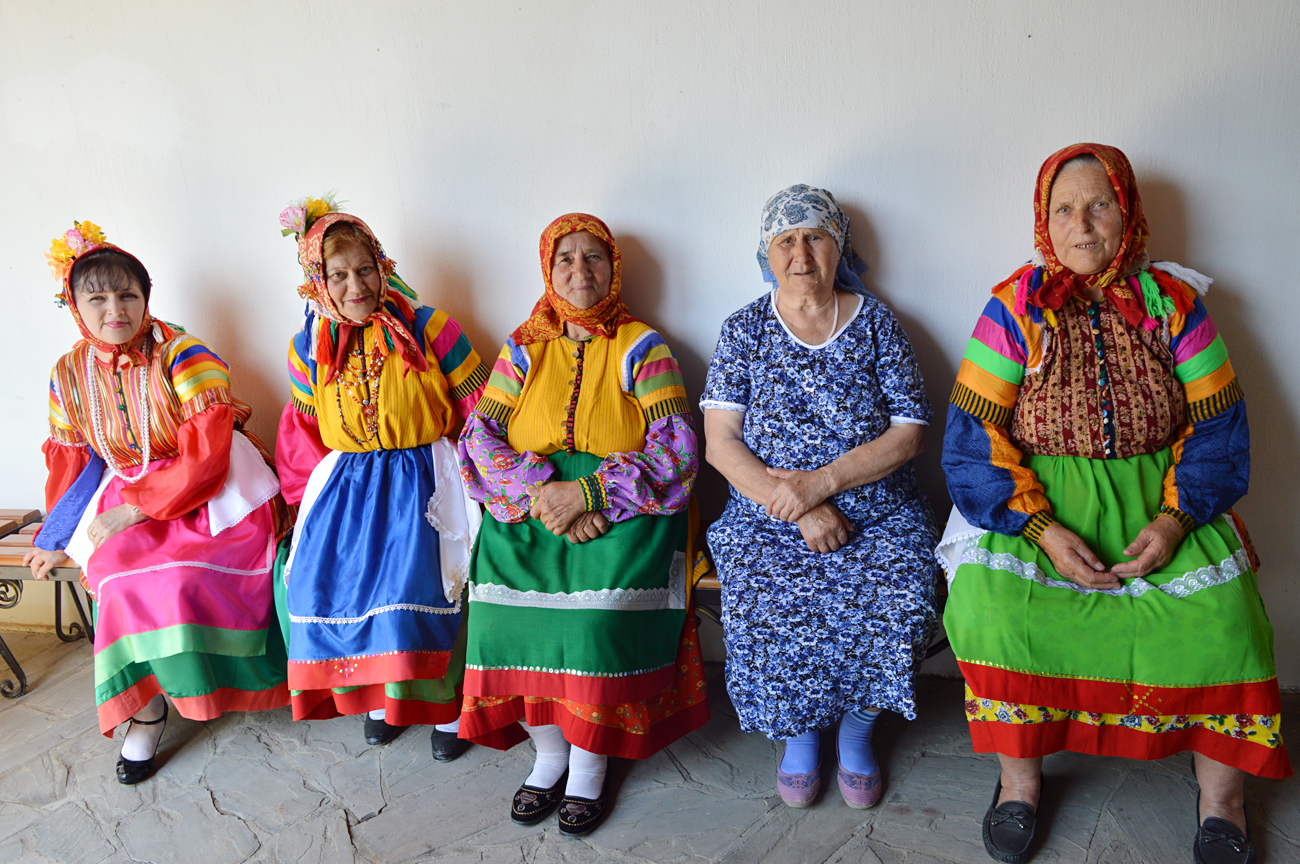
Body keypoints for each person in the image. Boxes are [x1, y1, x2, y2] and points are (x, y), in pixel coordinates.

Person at [939, 143, 1290, 864]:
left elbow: (1220, 423)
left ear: (1126, 214)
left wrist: (1174, 517)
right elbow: (973, 438)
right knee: (993, 613)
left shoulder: (1174, 302)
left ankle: (1221, 799)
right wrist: (1038, 527)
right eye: (1063, 209)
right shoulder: (1014, 307)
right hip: (1036, 504)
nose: (1082, 224)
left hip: (1166, 496)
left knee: (1229, 623)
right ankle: (1019, 785)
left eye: (1099, 204)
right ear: (1044, 221)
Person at [457, 213, 709, 836]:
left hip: (626, 513)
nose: (578, 271)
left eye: (592, 257)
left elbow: (677, 445)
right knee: (502, 620)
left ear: (614, 268)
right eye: (564, 259)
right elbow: (480, 436)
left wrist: (590, 492)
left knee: (596, 624)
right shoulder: (523, 346)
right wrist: (547, 494)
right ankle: (550, 755)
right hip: (532, 507)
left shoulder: (641, 346)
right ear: (547, 269)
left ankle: (590, 765)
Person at [24, 221, 290, 785]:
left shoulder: (182, 353)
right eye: (96, 298)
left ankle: (224, 685)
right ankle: (146, 711)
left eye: (128, 294)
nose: (114, 308)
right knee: (118, 577)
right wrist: (54, 535)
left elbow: (208, 451)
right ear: (74, 306)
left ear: (146, 299)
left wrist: (138, 509)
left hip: (212, 486)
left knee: (179, 580)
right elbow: (73, 461)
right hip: (126, 488)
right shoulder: (68, 375)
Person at [701, 185, 940, 809]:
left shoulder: (878, 323)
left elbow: (910, 433)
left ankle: (859, 732)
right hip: (769, 512)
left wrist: (822, 483)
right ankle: (801, 735)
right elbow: (721, 445)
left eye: (815, 237)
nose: (800, 252)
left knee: (897, 585)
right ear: (766, 254)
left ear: (841, 247)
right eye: (785, 240)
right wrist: (801, 504)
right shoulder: (743, 330)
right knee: (763, 588)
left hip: (878, 510)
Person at [274, 196, 487, 758]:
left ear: (383, 264)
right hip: (348, 484)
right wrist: (304, 505)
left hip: (426, 473)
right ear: (315, 280)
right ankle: (383, 700)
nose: (355, 285)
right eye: (337, 274)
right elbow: (304, 431)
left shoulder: (429, 327)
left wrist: (481, 487)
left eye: (365, 268)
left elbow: (478, 413)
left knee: (428, 582)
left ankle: (446, 706)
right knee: (335, 579)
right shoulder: (307, 347)